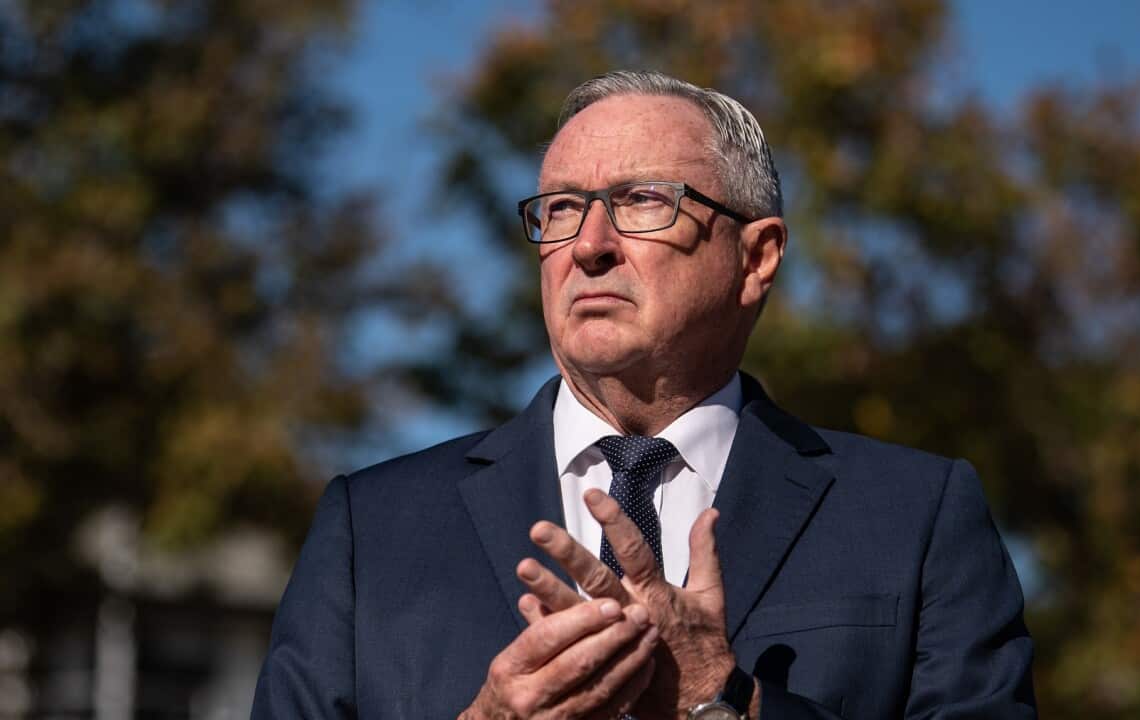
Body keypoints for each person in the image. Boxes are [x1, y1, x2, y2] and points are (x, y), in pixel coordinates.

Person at [251, 70, 1037, 719]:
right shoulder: (374, 530)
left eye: (641, 201)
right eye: (560, 208)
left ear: (756, 257)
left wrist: (719, 702)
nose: (588, 246)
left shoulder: (913, 517)